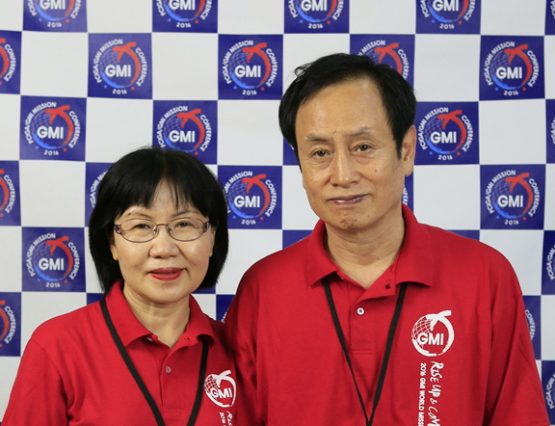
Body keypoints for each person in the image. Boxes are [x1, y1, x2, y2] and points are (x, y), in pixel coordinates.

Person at [224, 53, 549, 425]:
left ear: (406, 150)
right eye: (320, 153)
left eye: (363, 147)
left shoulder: (484, 275)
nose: (342, 175)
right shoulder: (263, 288)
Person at [3, 148, 238, 425]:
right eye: (141, 226)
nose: (164, 248)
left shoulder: (236, 350)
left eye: (184, 223)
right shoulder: (57, 346)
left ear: (212, 237)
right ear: (112, 243)